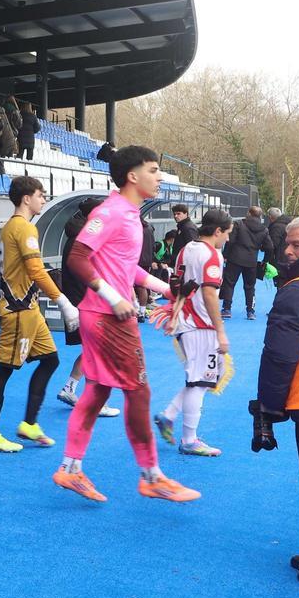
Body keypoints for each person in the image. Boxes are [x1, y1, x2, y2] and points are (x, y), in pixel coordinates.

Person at [52, 146, 199, 503]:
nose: (159, 176)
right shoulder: (112, 211)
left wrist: (165, 288)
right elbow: (77, 257)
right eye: (153, 169)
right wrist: (113, 297)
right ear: (132, 176)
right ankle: (151, 476)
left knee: (98, 391)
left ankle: (70, 470)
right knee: (139, 391)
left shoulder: (130, 215)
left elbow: (123, 266)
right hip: (108, 317)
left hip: (105, 314)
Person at [0, 176, 81, 452]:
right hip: (19, 310)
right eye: (41, 195)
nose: (44, 200)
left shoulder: (16, 227)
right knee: (3, 369)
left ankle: (29, 424)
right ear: (26, 198)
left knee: (50, 359)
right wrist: (62, 300)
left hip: (30, 308)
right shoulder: (22, 229)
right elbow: (35, 270)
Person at [249, 215, 299, 585]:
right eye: (287, 243)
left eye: (297, 245)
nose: (286, 251)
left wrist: (268, 408)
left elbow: (280, 354)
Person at [153, 208, 234, 457]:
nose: (228, 239)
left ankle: (169, 415)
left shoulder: (186, 248)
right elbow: (210, 293)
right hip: (200, 325)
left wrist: (176, 313)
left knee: (204, 377)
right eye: (227, 233)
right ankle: (189, 439)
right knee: (200, 382)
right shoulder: (212, 255)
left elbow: (177, 283)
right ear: (218, 231)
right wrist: (220, 331)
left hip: (186, 321)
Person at [56, 197, 122, 418]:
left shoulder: (79, 237)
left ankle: (70, 388)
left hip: (82, 300)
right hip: (86, 302)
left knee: (93, 350)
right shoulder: (83, 240)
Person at [221, 205, 273, 320]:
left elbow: (231, 241)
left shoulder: (239, 224)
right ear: (260, 216)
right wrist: (265, 261)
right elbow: (269, 247)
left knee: (229, 283)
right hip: (251, 261)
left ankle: (227, 309)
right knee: (250, 287)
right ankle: (250, 311)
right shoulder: (264, 230)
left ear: (249, 213)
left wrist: (225, 255)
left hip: (235, 259)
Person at [267, 207, 293, 276]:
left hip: (280, 257)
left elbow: (273, 245)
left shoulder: (276, 227)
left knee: (280, 278)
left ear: (270, 217)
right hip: (288, 255)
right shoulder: (290, 223)